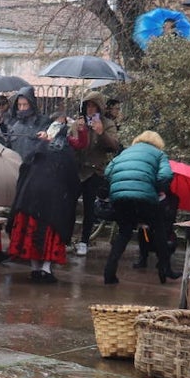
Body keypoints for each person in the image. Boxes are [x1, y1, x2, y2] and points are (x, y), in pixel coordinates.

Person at [101, 131, 178, 285]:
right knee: (159, 229)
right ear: (158, 143)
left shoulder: (125, 153)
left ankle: (109, 273)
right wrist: (155, 189)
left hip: (121, 198)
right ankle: (165, 268)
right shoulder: (159, 154)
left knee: (124, 233)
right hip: (145, 198)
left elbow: (108, 172)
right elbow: (166, 175)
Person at [7, 126, 80, 284]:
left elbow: (24, 170)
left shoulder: (38, 149)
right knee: (50, 232)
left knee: (31, 232)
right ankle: (45, 269)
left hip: (30, 197)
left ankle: (35, 269)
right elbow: (73, 181)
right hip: (54, 201)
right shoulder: (66, 153)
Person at [70, 91, 121, 257]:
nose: (90, 109)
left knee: (89, 208)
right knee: (69, 206)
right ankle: (66, 239)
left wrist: (101, 133)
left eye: (93, 106)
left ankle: (84, 241)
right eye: (87, 106)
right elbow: (70, 141)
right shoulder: (79, 122)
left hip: (94, 171)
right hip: (77, 170)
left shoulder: (107, 124)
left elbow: (114, 146)